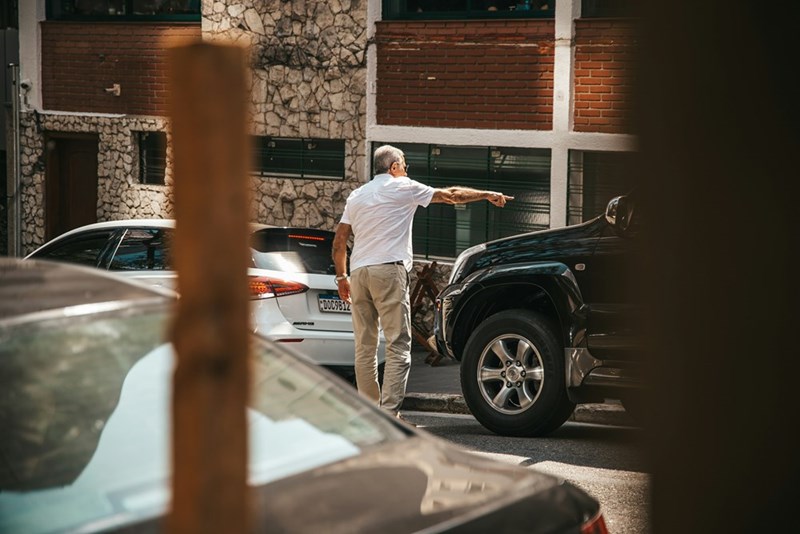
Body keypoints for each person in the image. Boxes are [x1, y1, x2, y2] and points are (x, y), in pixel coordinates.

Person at [332, 144, 513, 419]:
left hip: (358, 272)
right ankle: (389, 417)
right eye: (404, 164)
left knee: (365, 347)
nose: (406, 169)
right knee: (398, 345)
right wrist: (487, 194)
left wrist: (341, 277)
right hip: (388, 270)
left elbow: (339, 241)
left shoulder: (357, 195)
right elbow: (451, 196)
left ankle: (368, 416)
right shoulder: (402, 186)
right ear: (394, 167)